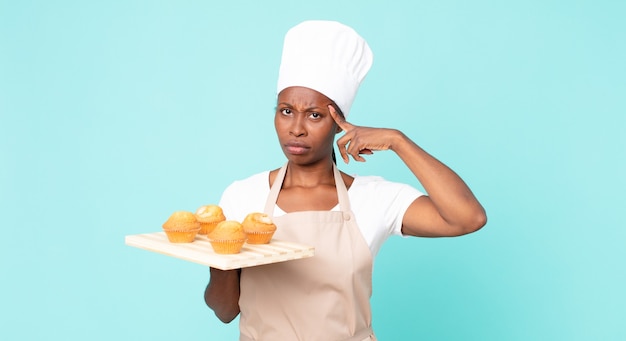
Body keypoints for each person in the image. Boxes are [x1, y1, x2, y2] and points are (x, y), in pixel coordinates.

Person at [204, 20, 487, 341]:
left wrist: (398, 141)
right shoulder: (243, 196)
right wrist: (221, 259)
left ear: (339, 122)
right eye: (285, 111)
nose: (296, 128)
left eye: (315, 115)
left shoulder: (375, 199)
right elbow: (225, 311)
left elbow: (469, 217)